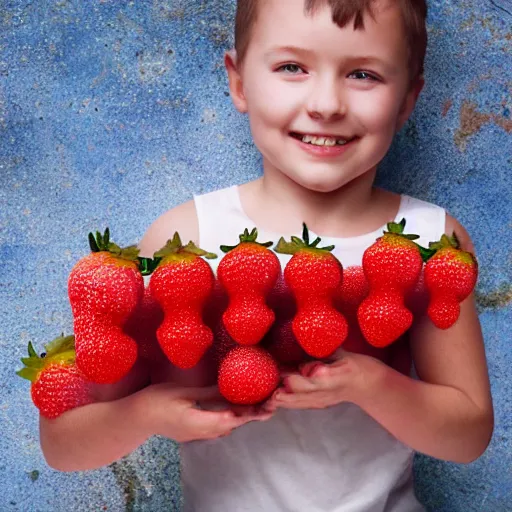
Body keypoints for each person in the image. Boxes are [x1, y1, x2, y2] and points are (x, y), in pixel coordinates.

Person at [40, 0, 494, 510]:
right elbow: (63, 444)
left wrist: (371, 385)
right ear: (239, 82)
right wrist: (148, 412)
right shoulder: (183, 243)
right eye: (292, 68)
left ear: (409, 96)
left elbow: (469, 434)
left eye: (363, 74)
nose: (326, 103)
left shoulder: (432, 241)